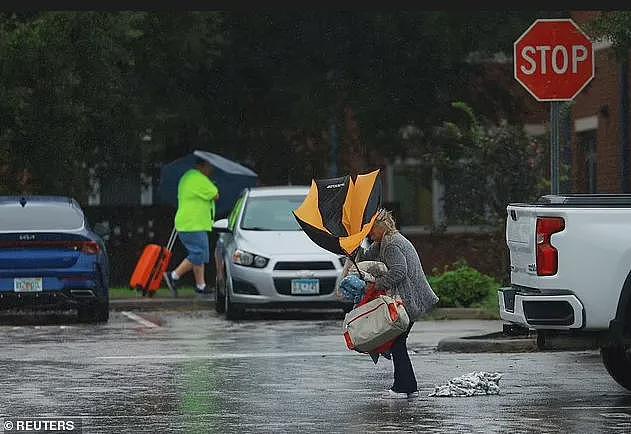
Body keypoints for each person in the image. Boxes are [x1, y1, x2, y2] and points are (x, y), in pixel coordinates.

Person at [359, 208, 439, 399]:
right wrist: (352, 248)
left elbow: (399, 271)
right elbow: (367, 256)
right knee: (397, 342)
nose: (370, 234)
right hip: (407, 297)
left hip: (411, 298)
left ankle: (404, 387)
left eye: (371, 229)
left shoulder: (392, 244)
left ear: (382, 227)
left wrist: (378, 284)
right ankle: (405, 385)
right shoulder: (383, 241)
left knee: (397, 342)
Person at [164, 157, 219, 296]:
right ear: (203, 165)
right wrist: (212, 184)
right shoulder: (198, 178)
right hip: (193, 223)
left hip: (191, 223)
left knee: (200, 255)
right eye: (210, 166)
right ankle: (174, 276)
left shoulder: (188, 177)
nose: (211, 169)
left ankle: (201, 285)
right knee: (198, 254)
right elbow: (215, 194)